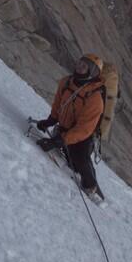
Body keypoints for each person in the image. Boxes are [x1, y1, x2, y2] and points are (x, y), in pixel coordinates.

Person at [35, 53, 106, 200]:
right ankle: (65, 146)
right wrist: (50, 120)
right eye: (79, 63)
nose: (79, 67)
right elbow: (58, 104)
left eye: (84, 66)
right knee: (71, 159)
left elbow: (84, 130)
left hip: (83, 136)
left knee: (80, 160)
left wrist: (59, 141)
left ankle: (90, 185)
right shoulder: (66, 82)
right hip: (65, 127)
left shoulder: (95, 99)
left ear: (92, 72)